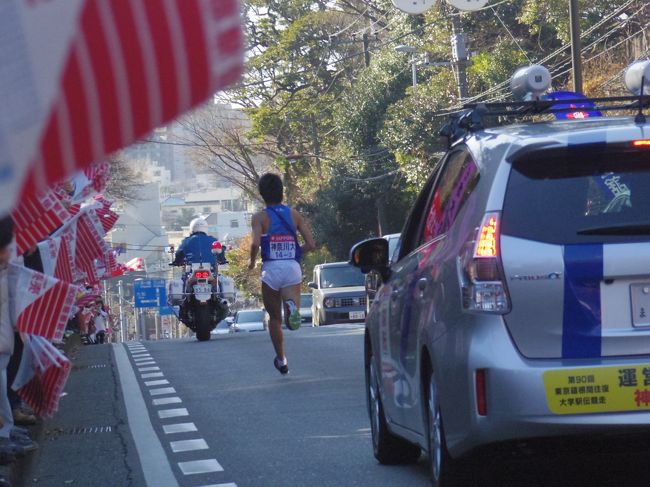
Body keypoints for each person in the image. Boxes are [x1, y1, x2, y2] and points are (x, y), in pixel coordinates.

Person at [248, 174, 315, 374]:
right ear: (281, 192)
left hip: (271, 268)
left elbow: (255, 243)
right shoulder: (294, 215)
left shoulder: (259, 218)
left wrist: (252, 261)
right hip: (292, 267)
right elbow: (311, 244)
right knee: (288, 311)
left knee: (274, 318)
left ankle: (282, 359)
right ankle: (292, 308)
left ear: (262, 194)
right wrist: (295, 252)